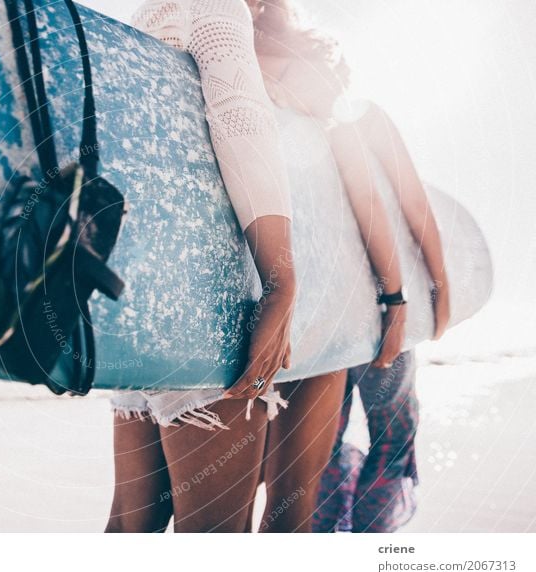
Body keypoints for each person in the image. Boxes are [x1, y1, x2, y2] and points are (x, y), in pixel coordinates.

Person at [252, 0, 450, 532]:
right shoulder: (279, 120)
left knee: (379, 431)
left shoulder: (358, 115)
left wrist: (438, 290)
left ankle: (362, 534)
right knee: (341, 439)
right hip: (333, 311)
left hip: (367, 303)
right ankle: (339, 535)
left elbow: (412, 204)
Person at [105, 0, 297, 533]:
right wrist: (281, 284)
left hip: (136, 298)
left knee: (128, 527)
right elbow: (241, 122)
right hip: (203, 302)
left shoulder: (140, 20)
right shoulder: (212, 6)